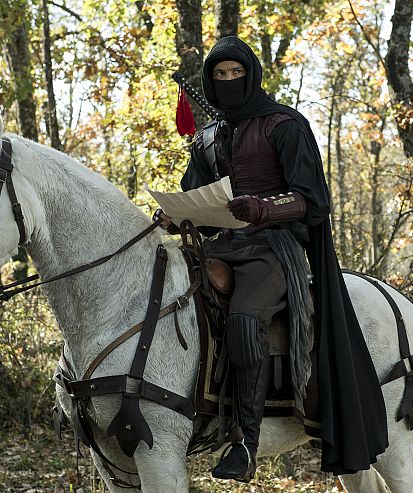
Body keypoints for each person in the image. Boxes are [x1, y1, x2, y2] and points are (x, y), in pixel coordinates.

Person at [159, 36, 388, 481]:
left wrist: (263, 208)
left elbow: (312, 199)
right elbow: (197, 200)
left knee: (246, 316)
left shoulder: (285, 125)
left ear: (251, 73)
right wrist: (175, 215)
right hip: (220, 248)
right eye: (219, 75)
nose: (228, 81)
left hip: (272, 249)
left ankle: (244, 441)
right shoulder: (208, 138)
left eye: (235, 73)